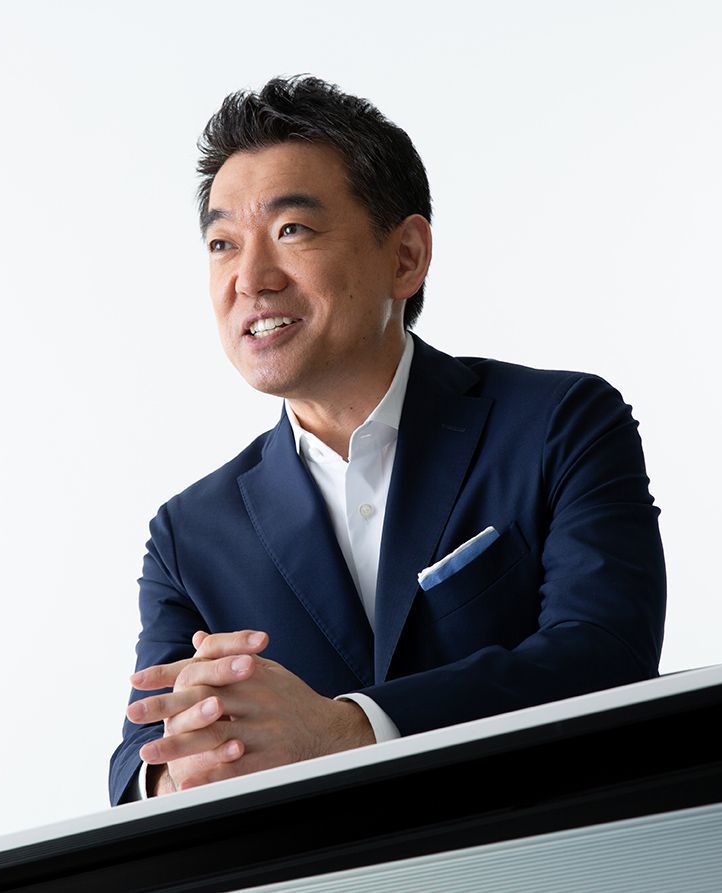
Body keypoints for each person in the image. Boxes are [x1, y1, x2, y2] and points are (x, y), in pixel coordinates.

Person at [109, 75, 666, 804]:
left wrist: (348, 728)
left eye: (291, 230)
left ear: (406, 256)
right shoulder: (188, 536)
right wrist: (181, 764)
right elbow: (138, 759)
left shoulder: (560, 423)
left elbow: (606, 656)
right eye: (222, 243)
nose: (250, 279)